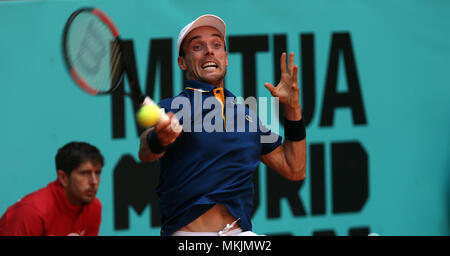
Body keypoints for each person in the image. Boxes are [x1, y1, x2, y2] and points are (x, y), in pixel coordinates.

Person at [139, 14, 306, 236]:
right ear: (182, 62)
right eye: (197, 46)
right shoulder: (174, 107)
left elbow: (294, 168)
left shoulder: (247, 116)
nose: (209, 51)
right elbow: (145, 151)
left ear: (226, 58)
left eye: (217, 45)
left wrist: (293, 109)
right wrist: (158, 139)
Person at [0, 142, 104, 236]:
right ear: (63, 177)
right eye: (84, 173)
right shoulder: (32, 213)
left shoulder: (94, 208)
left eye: (97, 173)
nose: (94, 181)